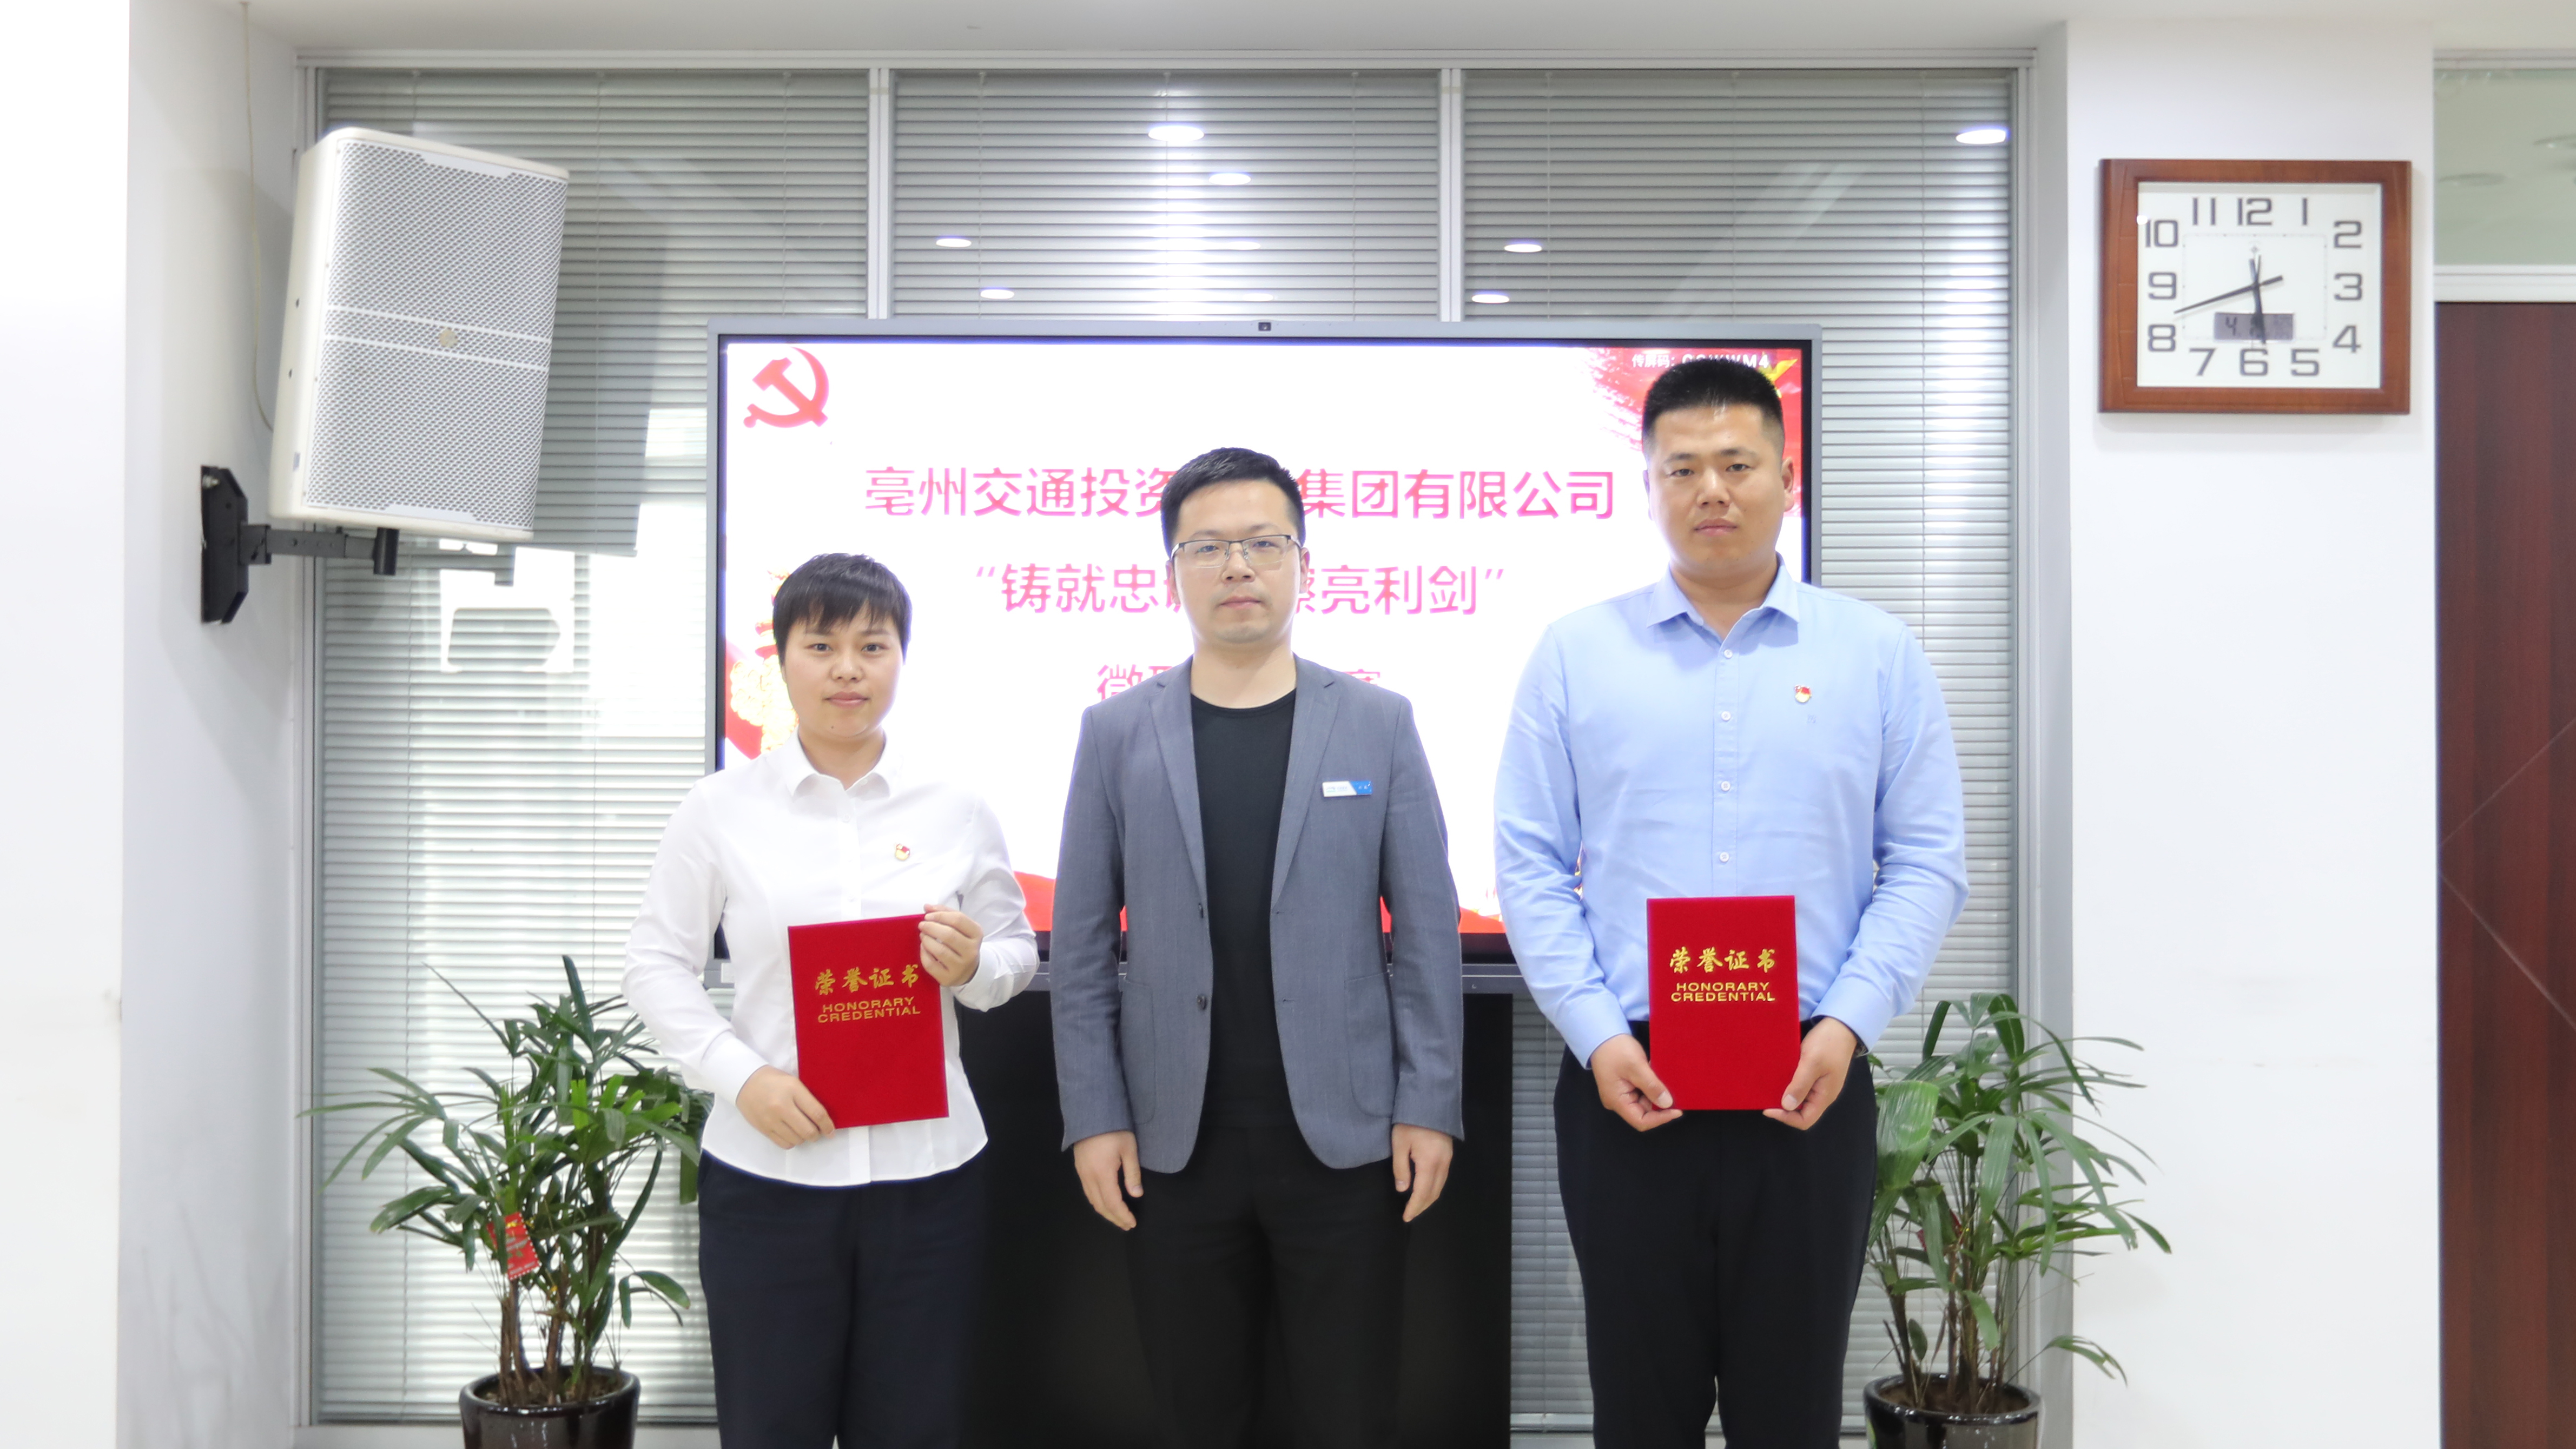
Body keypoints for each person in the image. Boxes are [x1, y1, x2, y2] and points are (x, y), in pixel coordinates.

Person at [1495, 358, 1969, 1449]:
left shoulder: (1875, 654)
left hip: (1807, 1079)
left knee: (1789, 1410)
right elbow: (1528, 864)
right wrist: (1596, 1034)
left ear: (1786, 479)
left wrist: (1846, 1025)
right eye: (1681, 468)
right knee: (1639, 1408)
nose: (1710, 488)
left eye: (1737, 463)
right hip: (1627, 1082)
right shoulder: (1575, 653)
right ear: (1647, 486)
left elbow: (1926, 860)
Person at [1049, 446, 1465, 1448]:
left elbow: (1426, 934)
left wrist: (1428, 1103)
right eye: (1208, 547)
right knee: (1198, 1414)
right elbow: (1080, 950)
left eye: (1263, 543)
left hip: (1348, 1140)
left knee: (1347, 1413)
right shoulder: (1115, 733)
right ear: (1172, 574)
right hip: (1171, 1145)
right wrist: (1094, 1117)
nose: (1237, 566)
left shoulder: (1377, 724)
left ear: (1303, 564)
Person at [621, 552, 1036, 1449]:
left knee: (916, 1428)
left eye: (872, 646)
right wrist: (742, 1077)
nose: (848, 669)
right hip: (770, 1177)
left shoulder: (957, 807)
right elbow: (655, 963)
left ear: (901, 658)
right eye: (821, 645)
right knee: (772, 1426)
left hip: (929, 1177)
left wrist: (973, 966)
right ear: (781, 660)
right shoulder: (718, 808)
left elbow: (1014, 952)